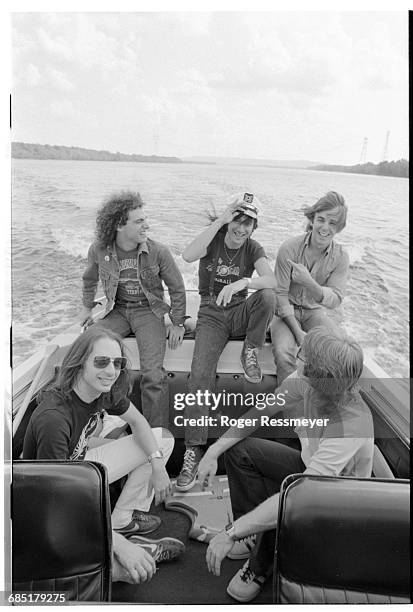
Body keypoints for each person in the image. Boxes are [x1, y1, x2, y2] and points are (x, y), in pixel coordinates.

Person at [197, 326, 374, 602]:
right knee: (239, 451)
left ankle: (259, 565)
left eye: (303, 356)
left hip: (338, 501)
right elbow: (260, 412)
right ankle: (251, 537)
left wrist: (230, 531)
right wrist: (213, 451)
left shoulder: (350, 425)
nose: (296, 354)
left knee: (283, 494)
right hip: (308, 472)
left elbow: (301, 494)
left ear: (319, 376)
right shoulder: (305, 382)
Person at [23, 327, 184, 584]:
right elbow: (57, 503)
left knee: (161, 440)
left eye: (117, 362)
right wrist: (117, 544)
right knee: (132, 574)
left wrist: (157, 465)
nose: (111, 370)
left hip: (78, 470)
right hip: (45, 505)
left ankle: (120, 522)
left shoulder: (101, 390)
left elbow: (139, 421)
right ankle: (118, 554)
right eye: (101, 361)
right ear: (79, 362)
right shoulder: (54, 419)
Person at [176, 193, 277, 491]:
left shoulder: (253, 247)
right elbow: (188, 255)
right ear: (229, 218)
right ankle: (193, 450)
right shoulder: (215, 237)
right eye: (238, 219)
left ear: (254, 227)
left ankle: (250, 350)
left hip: (240, 310)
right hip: (210, 314)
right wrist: (220, 219)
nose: (241, 228)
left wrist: (244, 282)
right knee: (199, 377)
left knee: (267, 297)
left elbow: (271, 281)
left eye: (249, 223)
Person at [80, 191, 186, 428]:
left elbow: (177, 288)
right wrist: (87, 309)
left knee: (152, 375)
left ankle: (156, 435)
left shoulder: (158, 252)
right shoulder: (98, 250)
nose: (146, 225)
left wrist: (178, 322)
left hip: (148, 311)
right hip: (116, 310)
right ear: (119, 225)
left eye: (144, 219)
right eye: (139, 221)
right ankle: (94, 421)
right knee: (86, 349)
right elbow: (89, 279)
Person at [271, 191, 350, 383]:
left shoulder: (341, 257)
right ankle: (290, 406)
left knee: (341, 350)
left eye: (332, 223)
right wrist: (299, 334)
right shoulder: (289, 248)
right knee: (284, 352)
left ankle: (320, 401)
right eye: (321, 219)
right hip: (283, 313)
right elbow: (279, 294)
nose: (325, 227)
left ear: (339, 227)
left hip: (314, 313)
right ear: (312, 220)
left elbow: (336, 299)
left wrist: (309, 282)